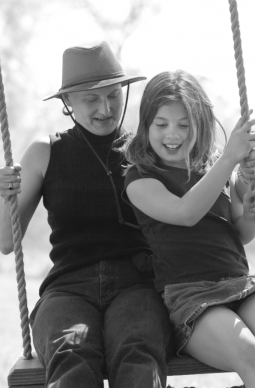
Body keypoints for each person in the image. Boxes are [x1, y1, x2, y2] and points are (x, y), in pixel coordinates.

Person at [0, 41, 179, 388]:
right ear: (68, 102)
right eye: (91, 99)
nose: (105, 108)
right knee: (72, 353)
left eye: (113, 95)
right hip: (68, 288)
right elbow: (6, 242)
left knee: (137, 349)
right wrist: (2, 194)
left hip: (137, 284)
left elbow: (194, 192)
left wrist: (243, 179)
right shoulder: (45, 152)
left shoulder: (146, 149)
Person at [123, 70, 255, 388]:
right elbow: (186, 214)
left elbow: (242, 233)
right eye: (162, 124)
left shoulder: (215, 170)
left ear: (200, 124)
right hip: (190, 297)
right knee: (251, 354)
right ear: (146, 126)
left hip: (239, 285)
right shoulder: (140, 179)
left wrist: (252, 206)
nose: (173, 134)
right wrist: (229, 159)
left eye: (184, 125)